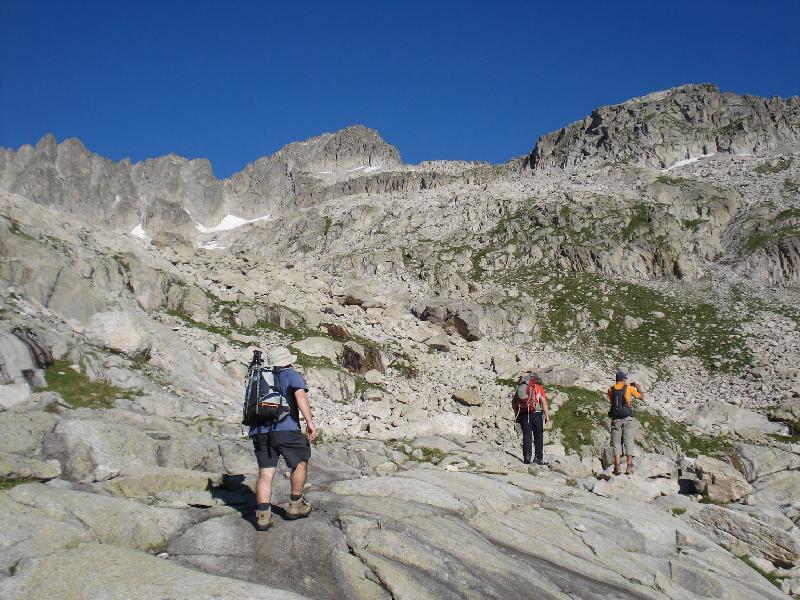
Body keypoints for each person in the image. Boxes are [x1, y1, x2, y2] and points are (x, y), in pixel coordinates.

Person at [251, 346, 317, 531]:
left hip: (260, 431)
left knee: (265, 472)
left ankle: (263, 516)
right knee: (300, 462)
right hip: (285, 429)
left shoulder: (260, 377)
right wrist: (309, 422)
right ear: (288, 360)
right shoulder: (290, 374)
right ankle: (296, 505)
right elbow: (300, 396)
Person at [607, 370, 643, 476]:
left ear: (616, 379)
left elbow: (612, 401)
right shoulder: (629, 388)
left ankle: (617, 467)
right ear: (623, 379)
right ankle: (629, 466)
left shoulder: (610, 389)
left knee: (616, 443)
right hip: (627, 418)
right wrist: (637, 387)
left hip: (616, 419)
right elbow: (641, 397)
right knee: (628, 441)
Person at [513, 373, 550, 465]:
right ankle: (538, 458)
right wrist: (547, 417)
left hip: (524, 414)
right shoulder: (538, 387)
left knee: (527, 436)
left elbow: (514, 402)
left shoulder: (521, 388)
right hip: (536, 414)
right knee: (538, 436)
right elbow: (544, 402)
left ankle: (527, 457)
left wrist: (516, 414)